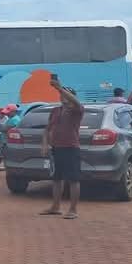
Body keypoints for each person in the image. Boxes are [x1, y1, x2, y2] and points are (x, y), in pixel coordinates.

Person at [40, 82, 84, 220]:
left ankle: (73, 209)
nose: (63, 97)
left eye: (66, 94)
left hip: (71, 147)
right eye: (61, 94)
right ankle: (55, 207)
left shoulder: (77, 109)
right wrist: (45, 144)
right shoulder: (55, 111)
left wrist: (59, 88)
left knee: (73, 179)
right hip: (56, 148)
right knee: (56, 179)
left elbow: (76, 102)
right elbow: (47, 129)